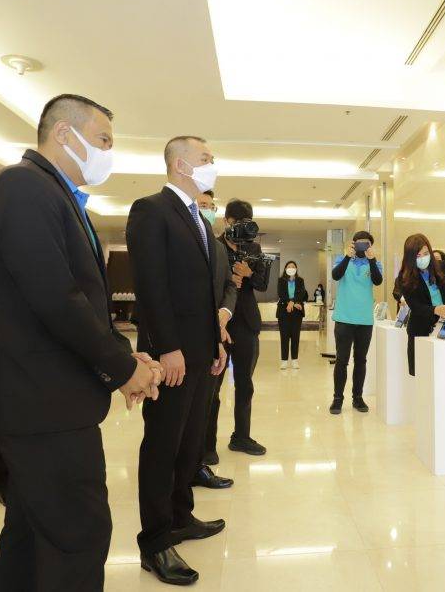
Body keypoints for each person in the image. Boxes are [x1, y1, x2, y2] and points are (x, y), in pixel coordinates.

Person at [0, 95, 161, 592]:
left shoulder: (54, 195)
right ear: (64, 134)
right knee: (78, 533)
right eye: (103, 139)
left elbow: (83, 302)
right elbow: (57, 299)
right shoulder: (22, 186)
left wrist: (123, 355)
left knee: (30, 535)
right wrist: (124, 369)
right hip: (43, 400)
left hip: (47, 400)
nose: (108, 152)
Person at [127, 135, 228, 586]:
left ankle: (181, 516)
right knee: (163, 445)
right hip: (172, 354)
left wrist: (216, 341)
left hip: (202, 351)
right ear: (182, 165)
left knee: (190, 442)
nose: (212, 164)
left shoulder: (199, 219)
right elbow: (151, 286)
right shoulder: (151, 209)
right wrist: (167, 348)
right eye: (206, 158)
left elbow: (205, 291)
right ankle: (154, 542)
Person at [192, 189, 235, 489]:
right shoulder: (179, 238)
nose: (207, 210)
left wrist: (223, 313)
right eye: (201, 205)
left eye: (210, 206)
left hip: (213, 339)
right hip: (184, 341)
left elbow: (229, 286)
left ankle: (198, 464)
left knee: (205, 403)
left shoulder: (218, 247)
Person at [220, 198, 270, 455]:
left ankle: (241, 436)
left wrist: (249, 274)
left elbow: (262, 284)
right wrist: (229, 279)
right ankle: (206, 443)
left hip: (247, 323)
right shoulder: (214, 246)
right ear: (226, 221)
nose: (241, 226)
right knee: (211, 387)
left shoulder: (254, 247)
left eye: (246, 222)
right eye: (236, 222)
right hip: (219, 323)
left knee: (245, 383)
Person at [329, 230, 383, 414]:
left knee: (361, 360)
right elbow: (336, 275)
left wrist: (372, 260)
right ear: (353, 244)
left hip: (364, 320)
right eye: (359, 243)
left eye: (366, 243)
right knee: (341, 360)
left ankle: (358, 398)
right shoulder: (342, 259)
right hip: (344, 318)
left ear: (370, 246)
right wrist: (347, 256)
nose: (362, 246)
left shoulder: (375, 263)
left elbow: (378, 281)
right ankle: (337, 399)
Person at [398, 234, 445, 376]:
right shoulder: (404, 277)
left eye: (426, 253)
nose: (423, 257)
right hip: (420, 330)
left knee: (444, 373)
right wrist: (435, 309)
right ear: (410, 257)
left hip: (444, 327)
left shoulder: (440, 270)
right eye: (418, 255)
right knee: (422, 374)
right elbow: (415, 306)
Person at [276, 261, 307, 370]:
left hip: (297, 312)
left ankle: (294, 360)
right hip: (283, 311)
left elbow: (301, 293)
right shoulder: (281, 280)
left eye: (293, 266)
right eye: (289, 266)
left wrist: (292, 302)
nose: (291, 268)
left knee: (295, 336)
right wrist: (290, 303)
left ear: (296, 269)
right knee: (284, 336)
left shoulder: (300, 280)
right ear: (285, 269)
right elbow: (281, 293)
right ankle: (284, 361)